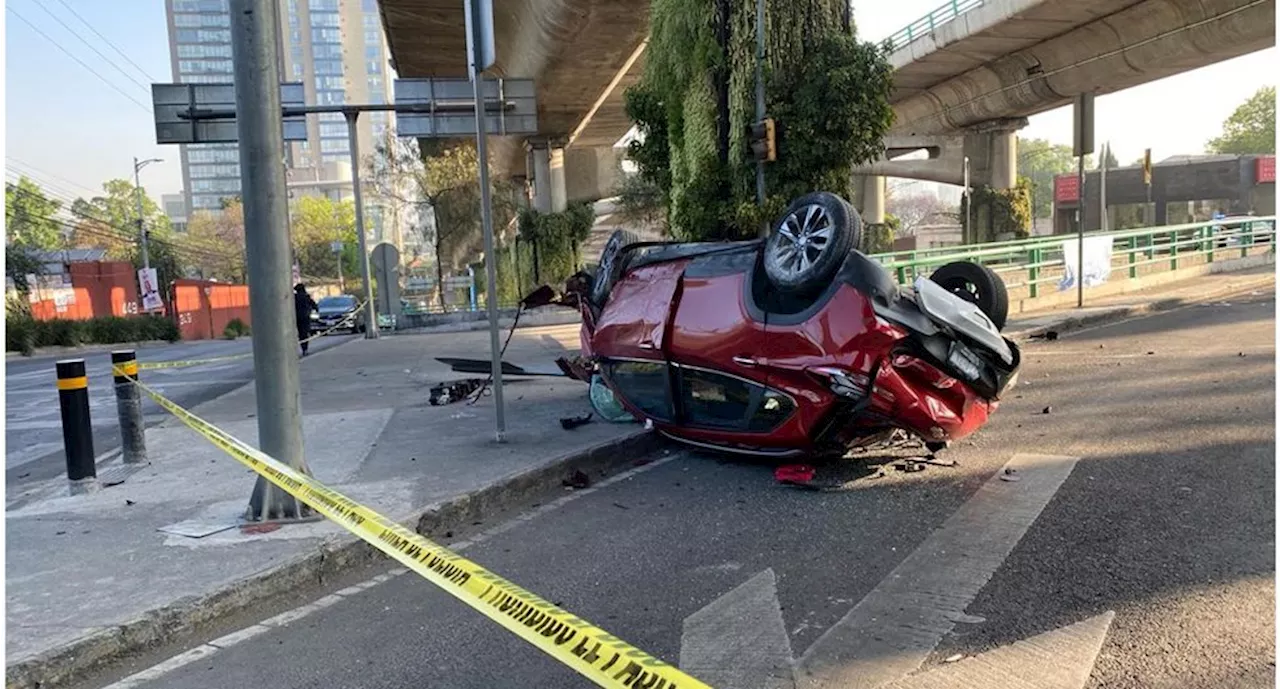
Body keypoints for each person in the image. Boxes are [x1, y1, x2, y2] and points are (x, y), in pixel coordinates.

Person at [294, 283, 318, 356]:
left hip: (296, 317)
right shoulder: (306, 297)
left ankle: (302, 348)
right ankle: (305, 349)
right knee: (304, 333)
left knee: (300, 333)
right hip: (305, 317)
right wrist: (316, 310)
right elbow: (314, 305)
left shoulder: (294, 297)